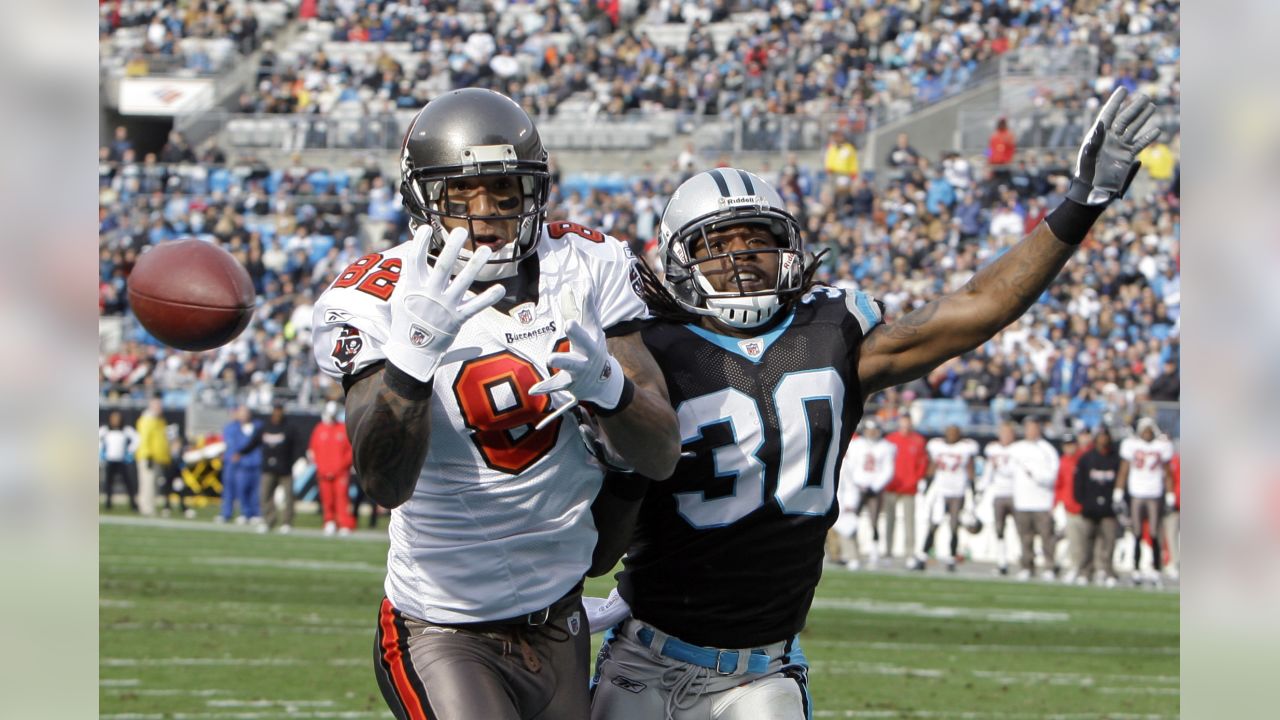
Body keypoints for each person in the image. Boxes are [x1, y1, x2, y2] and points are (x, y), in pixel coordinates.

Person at [592, 86, 1158, 719]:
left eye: (757, 241)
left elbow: (973, 309)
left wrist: (1082, 203)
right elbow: (599, 532)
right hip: (646, 660)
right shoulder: (648, 350)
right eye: (718, 246)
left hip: (764, 674)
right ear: (677, 260)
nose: (742, 260)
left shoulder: (831, 332)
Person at [309, 88, 680, 720]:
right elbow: (383, 481)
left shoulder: (590, 265)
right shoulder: (372, 296)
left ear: (534, 193)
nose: (484, 218)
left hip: (559, 616)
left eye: (505, 194)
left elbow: (661, 454)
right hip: (441, 625)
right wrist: (411, 360)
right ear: (423, 202)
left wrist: (610, 389)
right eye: (461, 197)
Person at [911, 425, 979, 572]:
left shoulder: (965, 447)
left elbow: (970, 469)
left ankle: (951, 559)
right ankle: (922, 557)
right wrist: (927, 485)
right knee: (934, 524)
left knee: (954, 526)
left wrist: (973, 491)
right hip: (940, 491)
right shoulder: (937, 446)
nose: (952, 435)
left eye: (955, 433)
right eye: (949, 432)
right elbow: (932, 466)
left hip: (958, 491)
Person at [1116, 417, 1174, 585]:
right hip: (1137, 493)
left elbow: (1168, 473)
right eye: (1144, 430)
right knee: (1137, 532)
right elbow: (1124, 469)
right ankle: (1135, 568)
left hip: (1155, 492)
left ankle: (1156, 569)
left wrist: (1170, 496)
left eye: (1149, 430)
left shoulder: (1161, 446)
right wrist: (1118, 492)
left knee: (1155, 532)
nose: (1147, 433)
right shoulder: (1132, 445)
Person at [836, 419, 896, 569]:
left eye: (875, 430)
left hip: (874, 489)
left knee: (874, 521)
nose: (872, 433)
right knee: (849, 521)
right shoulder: (855, 445)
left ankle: (874, 553)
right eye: (869, 430)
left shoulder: (886, 447)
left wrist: (875, 486)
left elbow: (888, 470)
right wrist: (856, 484)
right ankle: (852, 555)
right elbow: (848, 468)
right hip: (856, 488)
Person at [1009, 418, 1060, 581]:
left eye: (1033, 428)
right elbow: (1007, 471)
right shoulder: (1015, 449)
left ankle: (1049, 567)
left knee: (1047, 537)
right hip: (1022, 501)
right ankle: (1027, 566)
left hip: (1042, 501)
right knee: (1025, 537)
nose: (1030, 431)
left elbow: (1054, 475)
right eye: (1028, 428)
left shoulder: (1047, 450)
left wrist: (1037, 477)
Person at [1073, 427, 1122, 587]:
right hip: (1089, 509)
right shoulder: (1087, 458)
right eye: (1100, 437)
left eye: (1105, 436)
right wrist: (1082, 502)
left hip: (1109, 510)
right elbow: (1078, 482)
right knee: (1087, 542)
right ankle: (1085, 571)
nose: (1103, 440)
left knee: (1109, 543)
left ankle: (1107, 571)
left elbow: (1121, 481)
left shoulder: (1115, 459)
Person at [884, 412, 927, 562]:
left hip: (909, 487)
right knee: (890, 520)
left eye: (907, 422)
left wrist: (916, 480)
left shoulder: (918, 440)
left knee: (909, 521)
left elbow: (922, 464)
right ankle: (888, 551)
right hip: (892, 486)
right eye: (903, 422)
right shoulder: (891, 440)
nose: (905, 426)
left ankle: (910, 552)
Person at [308, 401, 355, 536]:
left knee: (342, 499)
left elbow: (349, 451)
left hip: (340, 473)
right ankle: (329, 521)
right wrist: (321, 467)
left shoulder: (343, 429)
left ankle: (345, 524)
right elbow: (313, 451)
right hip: (323, 473)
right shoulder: (319, 429)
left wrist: (341, 466)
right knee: (327, 499)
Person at [979, 421, 1018, 575]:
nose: (1006, 436)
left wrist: (1001, 467)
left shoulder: (1018, 450)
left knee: (1020, 529)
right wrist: (981, 489)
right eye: (1003, 433)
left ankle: (1022, 559)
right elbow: (988, 472)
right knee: (999, 529)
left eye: (1008, 433)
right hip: (999, 494)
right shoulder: (993, 449)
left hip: (1016, 494)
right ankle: (1002, 561)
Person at [218, 405, 263, 525]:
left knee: (254, 491)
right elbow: (229, 445)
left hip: (254, 463)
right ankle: (229, 513)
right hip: (236, 464)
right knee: (233, 489)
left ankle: (254, 514)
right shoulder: (232, 428)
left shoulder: (258, 426)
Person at [1055, 431, 1090, 582]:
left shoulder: (1083, 459)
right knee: (1074, 541)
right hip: (1069, 507)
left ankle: (1084, 570)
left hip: (1084, 506)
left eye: (1071, 444)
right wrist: (1057, 503)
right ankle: (1075, 568)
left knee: (1085, 542)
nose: (1069, 448)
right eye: (1066, 445)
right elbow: (1059, 485)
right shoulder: (1063, 462)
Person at [258, 403, 298, 533]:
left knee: (288, 496)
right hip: (268, 468)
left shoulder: (289, 427)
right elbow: (255, 441)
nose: (277, 413)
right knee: (265, 495)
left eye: (279, 411)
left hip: (285, 468)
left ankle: (287, 522)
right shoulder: (265, 426)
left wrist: (293, 461)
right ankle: (269, 520)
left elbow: (297, 446)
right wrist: (241, 452)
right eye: (275, 411)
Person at [134, 397, 170, 516]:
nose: (160, 408)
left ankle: (150, 506)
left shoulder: (158, 420)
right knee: (147, 483)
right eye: (158, 406)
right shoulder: (147, 420)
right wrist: (147, 455)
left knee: (153, 484)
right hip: (149, 457)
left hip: (157, 458)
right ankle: (146, 508)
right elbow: (144, 439)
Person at [99, 410, 139, 512]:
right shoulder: (105, 430)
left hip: (122, 460)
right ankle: (108, 504)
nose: (115, 420)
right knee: (108, 483)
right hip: (110, 460)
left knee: (128, 482)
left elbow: (137, 439)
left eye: (117, 418)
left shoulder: (126, 430)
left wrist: (129, 451)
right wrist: (101, 452)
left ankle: (133, 504)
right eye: (113, 418)